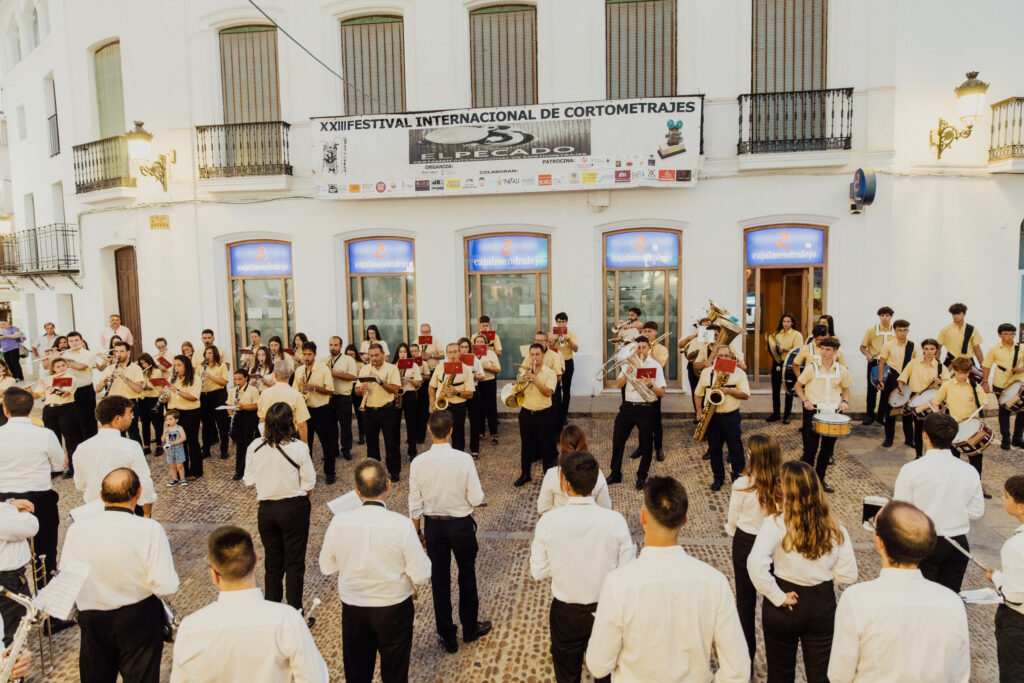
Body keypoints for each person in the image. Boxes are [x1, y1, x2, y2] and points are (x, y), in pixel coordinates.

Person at [586, 476, 750, 681]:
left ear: (643, 518)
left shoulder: (617, 584)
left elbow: (599, 665)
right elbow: (739, 670)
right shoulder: (714, 582)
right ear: (685, 520)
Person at [828, 500, 970, 683]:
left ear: (879, 542)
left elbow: (840, 674)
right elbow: (959, 674)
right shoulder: (952, 603)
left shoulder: (857, 600)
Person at [61, 468, 178, 683]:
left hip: (93, 618)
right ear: (139, 493)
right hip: (138, 616)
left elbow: (68, 579)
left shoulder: (77, 530)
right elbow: (165, 586)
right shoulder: (149, 528)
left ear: (102, 496)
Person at [319, 459, 431, 682]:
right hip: (394, 608)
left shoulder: (340, 522)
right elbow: (422, 574)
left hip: (354, 608)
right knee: (395, 673)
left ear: (357, 491)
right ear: (388, 485)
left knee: (357, 673)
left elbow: (326, 566)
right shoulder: (401, 525)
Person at [747, 460, 858, 682]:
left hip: (785, 598)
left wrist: (776, 595)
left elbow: (755, 562)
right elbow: (848, 574)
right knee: (821, 674)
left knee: (780, 673)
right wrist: (823, 579)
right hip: (821, 601)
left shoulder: (776, 524)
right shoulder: (835, 528)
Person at [171, 525, 327, 683]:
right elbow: (316, 679)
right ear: (255, 559)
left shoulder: (189, 631)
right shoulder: (288, 621)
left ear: (214, 575)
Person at [531, 450, 634, 683]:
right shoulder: (615, 521)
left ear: (567, 485)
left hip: (565, 613)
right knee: (605, 674)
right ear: (596, 482)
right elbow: (627, 571)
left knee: (567, 675)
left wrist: (562, 565)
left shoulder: (548, 522)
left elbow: (537, 571)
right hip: (605, 609)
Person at [409, 410, 490, 652]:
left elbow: (415, 503)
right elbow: (476, 498)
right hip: (461, 525)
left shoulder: (418, 463)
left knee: (440, 582)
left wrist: (417, 532)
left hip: (434, 526)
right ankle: (469, 628)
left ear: (429, 430)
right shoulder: (464, 459)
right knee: (467, 576)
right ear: (452, 430)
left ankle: (447, 634)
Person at [893, 413, 984, 592]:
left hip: (922, 541)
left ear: (925, 435)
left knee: (921, 597)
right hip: (957, 543)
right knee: (950, 598)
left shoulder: (912, 470)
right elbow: (976, 512)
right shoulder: (969, 471)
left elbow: (900, 510)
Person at [243, 403, 315, 612]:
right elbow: (308, 482)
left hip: (266, 508)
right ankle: (295, 612)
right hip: (294, 506)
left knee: (272, 563)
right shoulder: (299, 447)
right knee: (294, 563)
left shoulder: (255, 447)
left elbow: (249, 480)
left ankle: (272, 610)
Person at [726, 434, 783, 664]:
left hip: (746, 541)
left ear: (753, 456)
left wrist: (733, 531)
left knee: (745, 604)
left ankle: (746, 660)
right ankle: (777, 656)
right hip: (773, 546)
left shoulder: (742, 485)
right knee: (774, 598)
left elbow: (732, 519)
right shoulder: (783, 485)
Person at [0, 387, 65, 580]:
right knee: (45, 555)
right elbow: (58, 466)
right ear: (31, 408)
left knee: (6, 552)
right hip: (39, 497)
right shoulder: (44, 434)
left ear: (5, 410)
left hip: (4, 499)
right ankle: (47, 596)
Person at [74, 396, 158, 517]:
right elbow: (144, 483)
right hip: (126, 510)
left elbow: (80, 484)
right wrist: (147, 514)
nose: (133, 417)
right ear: (117, 418)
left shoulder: (81, 448)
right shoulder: (131, 446)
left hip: (94, 511)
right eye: (130, 413)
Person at [793, 336, 852, 493]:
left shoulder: (842, 371)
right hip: (813, 412)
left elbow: (846, 390)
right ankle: (805, 482)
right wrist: (805, 400)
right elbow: (798, 386)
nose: (824, 352)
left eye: (828, 350)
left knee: (826, 451)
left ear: (835, 352)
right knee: (810, 450)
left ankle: (820, 480)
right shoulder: (811, 368)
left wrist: (845, 402)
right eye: (822, 349)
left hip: (832, 414)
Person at [607, 336, 666, 490]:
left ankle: (642, 476)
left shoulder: (655, 366)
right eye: (637, 348)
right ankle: (615, 473)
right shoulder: (626, 363)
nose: (640, 350)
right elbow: (618, 385)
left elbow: (661, 393)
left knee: (647, 444)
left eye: (643, 347)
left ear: (649, 348)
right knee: (618, 440)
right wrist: (626, 373)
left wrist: (650, 384)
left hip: (646, 408)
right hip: (627, 407)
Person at [696, 344, 750, 491]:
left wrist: (729, 391)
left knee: (736, 448)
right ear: (716, 357)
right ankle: (718, 478)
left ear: (732, 358)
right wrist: (699, 411)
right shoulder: (707, 372)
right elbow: (698, 392)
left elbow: (745, 395)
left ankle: (739, 478)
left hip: (731, 416)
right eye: (721, 356)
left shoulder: (739, 373)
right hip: (712, 417)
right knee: (714, 449)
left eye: (727, 356)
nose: (724, 358)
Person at [930, 356, 990, 485]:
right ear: (955, 371)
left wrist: (985, 404)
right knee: (952, 458)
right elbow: (935, 402)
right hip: (953, 426)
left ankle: (976, 484)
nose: (963, 376)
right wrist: (940, 417)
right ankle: (951, 485)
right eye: (960, 373)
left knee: (976, 457)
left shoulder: (975, 386)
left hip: (971, 428)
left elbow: (985, 402)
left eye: (966, 373)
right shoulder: (947, 385)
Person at [987, 475, 1024, 682]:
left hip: (1018, 621)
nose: (1003, 499)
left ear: (1021, 507)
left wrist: (998, 579)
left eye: (1007, 496)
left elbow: (1015, 595)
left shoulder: (1016, 545)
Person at [293, 341, 339, 484]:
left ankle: (330, 473)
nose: (306, 357)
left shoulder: (323, 369)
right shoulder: (299, 370)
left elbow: (331, 390)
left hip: (321, 410)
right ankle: (307, 473)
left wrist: (314, 388)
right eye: (304, 354)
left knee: (327, 444)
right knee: (305, 444)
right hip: (304, 410)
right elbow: (294, 390)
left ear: (315, 355)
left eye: (309, 354)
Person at [538, 426, 611, 513]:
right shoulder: (597, 474)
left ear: (562, 446)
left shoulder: (552, 474)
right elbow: (605, 507)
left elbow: (542, 508)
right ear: (584, 443)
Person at [513, 343, 558, 487]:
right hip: (526, 413)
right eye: (531, 354)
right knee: (526, 446)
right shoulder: (524, 372)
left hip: (544, 414)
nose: (534, 357)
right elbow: (517, 391)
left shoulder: (550, 373)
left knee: (547, 446)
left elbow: (548, 392)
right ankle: (525, 474)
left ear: (543, 356)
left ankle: (548, 476)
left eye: (537, 354)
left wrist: (535, 380)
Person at [357, 343, 403, 481]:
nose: (374, 358)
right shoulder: (364, 369)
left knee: (392, 442)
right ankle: (374, 472)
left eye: (377, 355)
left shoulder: (392, 368)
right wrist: (362, 389)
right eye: (371, 356)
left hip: (387, 409)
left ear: (383, 354)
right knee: (371, 444)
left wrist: (380, 382)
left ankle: (394, 471)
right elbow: (356, 391)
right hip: (369, 410)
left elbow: (396, 390)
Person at [897, 338, 949, 458]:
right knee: (918, 428)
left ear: (936, 350)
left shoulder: (940, 367)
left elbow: (947, 383)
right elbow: (903, 377)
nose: (929, 351)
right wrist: (900, 386)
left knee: (932, 430)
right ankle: (918, 454)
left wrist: (939, 381)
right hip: (916, 398)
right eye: (926, 349)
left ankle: (930, 455)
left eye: (932, 349)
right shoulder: (914, 363)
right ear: (923, 349)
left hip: (933, 400)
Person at [32, 356, 82, 475]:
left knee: (70, 439)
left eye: (63, 366)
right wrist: (30, 390)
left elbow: (62, 394)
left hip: (66, 409)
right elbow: (36, 395)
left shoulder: (70, 378)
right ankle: (57, 468)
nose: (61, 368)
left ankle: (72, 468)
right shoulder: (49, 379)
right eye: (58, 367)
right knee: (53, 439)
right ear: (53, 369)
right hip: (49, 410)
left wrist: (46, 386)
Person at [0, 497, 38, 646]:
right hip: (7, 579)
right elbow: (29, 527)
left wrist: (9, 506)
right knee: (15, 634)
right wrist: (18, 512)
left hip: (8, 576)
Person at [875, 319, 919, 448]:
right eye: (900, 330)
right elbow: (882, 363)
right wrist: (881, 380)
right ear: (895, 331)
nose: (903, 332)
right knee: (890, 411)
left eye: (905, 330)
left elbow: (916, 364)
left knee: (908, 411)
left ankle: (909, 439)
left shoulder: (912, 345)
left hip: (907, 380)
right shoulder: (888, 345)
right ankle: (889, 438)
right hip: (892, 378)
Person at [428, 342, 476, 456]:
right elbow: (431, 386)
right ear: (446, 354)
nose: (453, 355)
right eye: (450, 352)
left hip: (458, 406)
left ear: (459, 353)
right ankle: (442, 457)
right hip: (441, 406)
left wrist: (457, 392)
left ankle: (458, 458)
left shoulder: (466, 370)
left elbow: (470, 395)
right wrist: (432, 401)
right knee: (440, 434)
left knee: (458, 434)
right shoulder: (439, 367)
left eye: (455, 352)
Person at [983, 323, 1024, 450]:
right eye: (1006, 334)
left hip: (1018, 383)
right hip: (1001, 384)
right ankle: (1005, 439)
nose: (1009, 336)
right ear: (1000, 335)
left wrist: (1021, 368)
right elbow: (987, 365)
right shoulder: (994, 349)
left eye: (1012, 334)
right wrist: (985, 382)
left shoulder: (1021, 347)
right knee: (1004, 411)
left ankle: (1017, 438)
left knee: (1022, 411)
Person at [632, 321, 668, 462]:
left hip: (655, 388)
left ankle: (658, 448)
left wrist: (649, 351)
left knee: (656, 421)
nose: (646, 333)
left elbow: (660, 364)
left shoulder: (661, 349)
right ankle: (641, 447)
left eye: (649, 331)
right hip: (641, 388)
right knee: (641, 421)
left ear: (655, 333)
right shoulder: (638, 346)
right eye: (644, 331)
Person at [165, 354, 203, 479]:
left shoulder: (195, 379)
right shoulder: (172, 378)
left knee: (191, 441)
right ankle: (184, 470)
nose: (176, 368)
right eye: (175, 365)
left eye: (179, 365)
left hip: (190, 412)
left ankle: (196, 470)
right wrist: (164, 396)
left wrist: (175, 390)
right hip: (175, 411)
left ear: (186, 365)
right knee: (179, 443)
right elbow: (169, 398)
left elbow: (193, 397)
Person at [256, 359, 310, 443]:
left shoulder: (264, 394)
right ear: (290, 374)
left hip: (270, 437)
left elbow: (262, 419)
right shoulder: (297, 395)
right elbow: (301, 424)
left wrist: (265, 439)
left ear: (275, 375)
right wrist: (305, 444)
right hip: (290, 437)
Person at [858, 306, 895, 426]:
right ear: (879, 316)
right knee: (872, 390)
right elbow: (862, 346)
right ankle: (869, 415)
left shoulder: (895, 331)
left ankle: (881, 415)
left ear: (891, 316)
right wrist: (868, 355)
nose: (885, 318)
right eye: (882, 315)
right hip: (875, 362)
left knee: (886, 390)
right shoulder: (871, 330)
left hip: (889, 363)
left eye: (887, 315)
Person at [765, 313, 803, 424]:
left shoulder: (797, 335)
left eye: (788, 321)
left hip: (789, 365)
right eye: (784, 321)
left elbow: (798, 350)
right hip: (777, 363)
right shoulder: (776, 334)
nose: (785, 323)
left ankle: (787, 415)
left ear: (792, 323)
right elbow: (770, 346)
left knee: (788, 390)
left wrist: (784, 350)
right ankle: (776, 413)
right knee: (775, 390)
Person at [324, 335, 358, 460]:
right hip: (329, 397)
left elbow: (354, 376)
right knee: (330, 426)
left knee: (345, 425)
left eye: (335, 345)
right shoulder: (324, 360)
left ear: (340, 346)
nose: (333, 347)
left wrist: (335, 373)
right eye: (331, 345)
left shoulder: (348, 360)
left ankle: (346, 449)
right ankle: (333, 450)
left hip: (344, 397)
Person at [196, 345, 230, 460]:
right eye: (206, 353)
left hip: (218, 395)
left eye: (210, 353)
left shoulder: (221, 366)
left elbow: (225, 382)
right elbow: (196, 381)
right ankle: (206, 450)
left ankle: (224, 449)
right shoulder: (200, 367)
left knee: (222, 424)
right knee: (206, 424)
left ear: (215, 354)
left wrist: (210, 376)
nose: (207, 355)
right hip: (204, 396)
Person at [65, 331, 100, 438]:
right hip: (70, 390)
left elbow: (80, 366)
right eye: (71, 341)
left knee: (88, 420)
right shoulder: (65, 354)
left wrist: (63, 360)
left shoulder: (89, 354)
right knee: (74, 420)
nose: (74, 343)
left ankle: (91, 443)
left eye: (76, 340)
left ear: (82, 341)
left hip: (84, 390)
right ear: (68, 343)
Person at [227, 369, 259, 481]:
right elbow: (229, 404)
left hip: (249, 417)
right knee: (240, 445)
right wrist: (230, 411)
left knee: (249, 444)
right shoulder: (232, 390)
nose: (237, 381)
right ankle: (239, 471)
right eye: (235, 379)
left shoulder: (253, 390)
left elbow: (256, 405)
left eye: (240, 379)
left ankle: (250, 470)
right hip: (238, 418)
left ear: (246, 378)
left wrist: (243, 406)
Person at [393, 343, 423, 460]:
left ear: (408, 353)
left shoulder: (414, 365)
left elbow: (419, 383)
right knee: (395, 425)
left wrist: (409, 380)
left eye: (405, 352)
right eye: (400, 352)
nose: (403, 354)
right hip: (396, 395)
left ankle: (412, 451)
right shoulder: (393, 366)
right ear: (397, 353)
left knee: (411, 424)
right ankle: (396, 451)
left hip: (410, 395)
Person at [416, 323, 444, 443]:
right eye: (423, 332)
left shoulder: (436, 341)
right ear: (420, 332)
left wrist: (431, 355)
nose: (425, 334)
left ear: (430, 331)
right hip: (422, 374)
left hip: (434, 373)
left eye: (427, 331)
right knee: (422, 404)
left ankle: (438, 431)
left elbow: (443, 355)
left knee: (435, 401)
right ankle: (420, 434)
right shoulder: (416, 341)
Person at [680, 317, 712, 418]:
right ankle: (698, 415)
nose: (706, 329)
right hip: (694, 365)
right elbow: (680, 345)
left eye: (708, 327)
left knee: (708, 391)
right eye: (704, 327)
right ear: (700, 326)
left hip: (709, 366)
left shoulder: (715, 337)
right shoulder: (693, 332)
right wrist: (690, 338)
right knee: (696, 391)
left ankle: (709, 416)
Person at [550, 312, 578, 427]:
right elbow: (548, 349)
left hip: (568, 362)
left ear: (566, 322)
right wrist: (555, 339)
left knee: (566, 390)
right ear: (556, 322)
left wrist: (568, 339)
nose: (561, 324)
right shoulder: (552, 334)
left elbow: (576, 349)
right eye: (559, 321)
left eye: (563, 321)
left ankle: (564, 415)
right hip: (555, 363)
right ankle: (555, 414)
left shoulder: (571, 334)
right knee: (556, 390)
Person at [458, 337, 485, 457]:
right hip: (459, 392)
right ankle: (459, 449)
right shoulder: (455, 360)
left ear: (469, 348)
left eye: (466, 347)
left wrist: (473, 375)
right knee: (459, 422)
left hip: (473, 390)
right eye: (462, 347)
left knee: (475, 421)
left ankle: (475, 449)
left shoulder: (474, 360)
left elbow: (482, 376)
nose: (464, 349)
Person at [473, 333, 501, 445]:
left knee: (491, 408)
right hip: (476, 383)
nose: (479, 343)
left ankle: (494, 433)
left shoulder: (491, 353)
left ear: (486, 343)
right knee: (478, 407)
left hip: (489, 382)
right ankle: (481, 432)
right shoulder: (471, 355)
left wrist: (487, 367)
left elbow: (498, 369)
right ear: (474, 343)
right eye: (477, 341)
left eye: (482, 342)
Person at [937, 302, 984, 368]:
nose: (955, 316)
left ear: (964, 314)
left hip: (967, 361)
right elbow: (938, 348)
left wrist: (982, 365)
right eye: (953, 314)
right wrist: (937, 362)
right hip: (951, 360)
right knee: (944, 377)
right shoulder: (945, 330)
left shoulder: (972, 329)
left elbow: (977, 348)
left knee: (973, 378)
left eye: (958, 313)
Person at [136, 353, 164, 455]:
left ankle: (159, 445)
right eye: (141, 363)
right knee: (144, 423)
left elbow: (150, 386)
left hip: (154, 399)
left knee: (157, 423)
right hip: (143, 399)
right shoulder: (140, 372)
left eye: (145, 362)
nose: (143, 365)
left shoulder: (157, 371)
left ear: (149, 361)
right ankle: (146, 446)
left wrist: (137, 383)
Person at [346, 344, 366, 444]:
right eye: (348, 354)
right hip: (346, 388)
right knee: (347, 415)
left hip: (357, 387)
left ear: (355, 354)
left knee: (360, 414)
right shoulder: (343, 363)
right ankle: (348, 439)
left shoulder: (360, 364)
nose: (350, 356)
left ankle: (362, 435)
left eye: (352, 354)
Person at [162, 410, 187, 487]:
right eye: (166, 420)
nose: (168, 421)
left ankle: (182, 478)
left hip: (178, 449)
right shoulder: (166, 429)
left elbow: (183, 438)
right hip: (169, 450)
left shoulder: (179, 428)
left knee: (179, 465)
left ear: (176, 420)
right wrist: (164, 433)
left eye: (170, 419)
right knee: (172, 465)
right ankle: (174, 479)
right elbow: (162, 440)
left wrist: (174, 443)